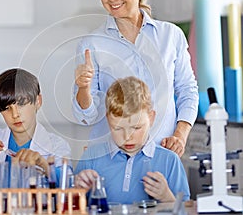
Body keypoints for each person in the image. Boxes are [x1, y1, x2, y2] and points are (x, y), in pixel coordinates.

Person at [73, 0, 198, 157]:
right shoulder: (91, 44)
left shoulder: (170, 36)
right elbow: (86, 117)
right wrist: (83, 89)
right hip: (111, 158)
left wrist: (180, 135)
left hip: (161, 153)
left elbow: (187, 90)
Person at [74, 76, 190, 204]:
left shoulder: (169, 160)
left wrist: (166, 197)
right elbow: (71, 208)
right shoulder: (91, 156)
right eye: (118, 128)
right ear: (108, 120)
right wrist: (79, 191)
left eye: (136, 127)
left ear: (151, 118)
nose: (127, 137)